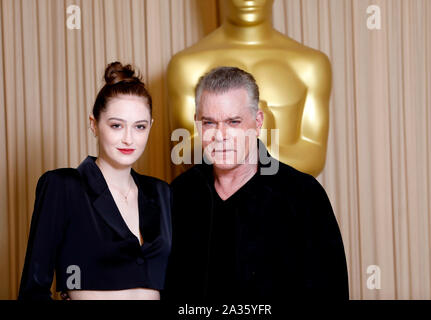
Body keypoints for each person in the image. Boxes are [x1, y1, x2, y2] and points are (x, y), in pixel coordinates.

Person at [164, 67, 348, 302]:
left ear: (258, 122)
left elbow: (331, 292)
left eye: (233, 122)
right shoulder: (179, 193)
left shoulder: (303, 196)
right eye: (209, 123)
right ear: (198, 124)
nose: (220, 136)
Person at [18, 62, 172, 300]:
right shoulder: (63, 186)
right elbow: (34, 290)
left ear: (150, 127)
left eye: (139, 127)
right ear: (94, 124)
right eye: (116, 125)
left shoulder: (161, 193)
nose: (128, 138)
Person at [167, 0, 332, 177]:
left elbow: (315, 155)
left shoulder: (310, 65)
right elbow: (183, 152)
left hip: (290, 201)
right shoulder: (187, 65)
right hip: (218, 201)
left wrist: (257, 148)